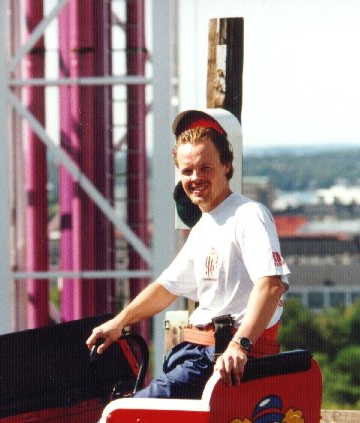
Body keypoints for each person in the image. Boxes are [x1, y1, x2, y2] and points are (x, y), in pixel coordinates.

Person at [87, 109, 290, 405]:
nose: (195, 178)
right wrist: (118, 323)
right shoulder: (205, 226)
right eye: (187, 171)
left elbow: (271, 285)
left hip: (221, 357)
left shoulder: (248, 215)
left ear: (227, 166)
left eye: (205, 168)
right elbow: (167, 287)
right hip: (196, 353)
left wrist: (239, 346)